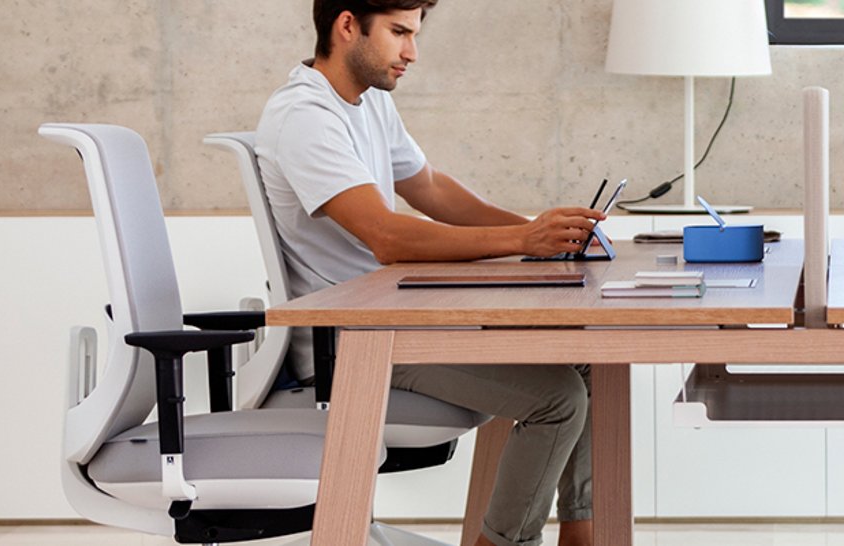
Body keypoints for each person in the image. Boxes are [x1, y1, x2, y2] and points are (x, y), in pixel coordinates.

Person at [253, 1, 599, 545]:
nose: (411, 52)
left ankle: (584, 534)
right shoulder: (304, 117)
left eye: (413, 34)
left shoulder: (366, 103)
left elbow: (432, 189)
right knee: (558, 400)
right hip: (357, 341)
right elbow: (387, 237)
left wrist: (548, 236)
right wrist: (521, 240)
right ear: (347, 26)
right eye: (398, 33)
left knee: (587, 354)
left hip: (402, 319)